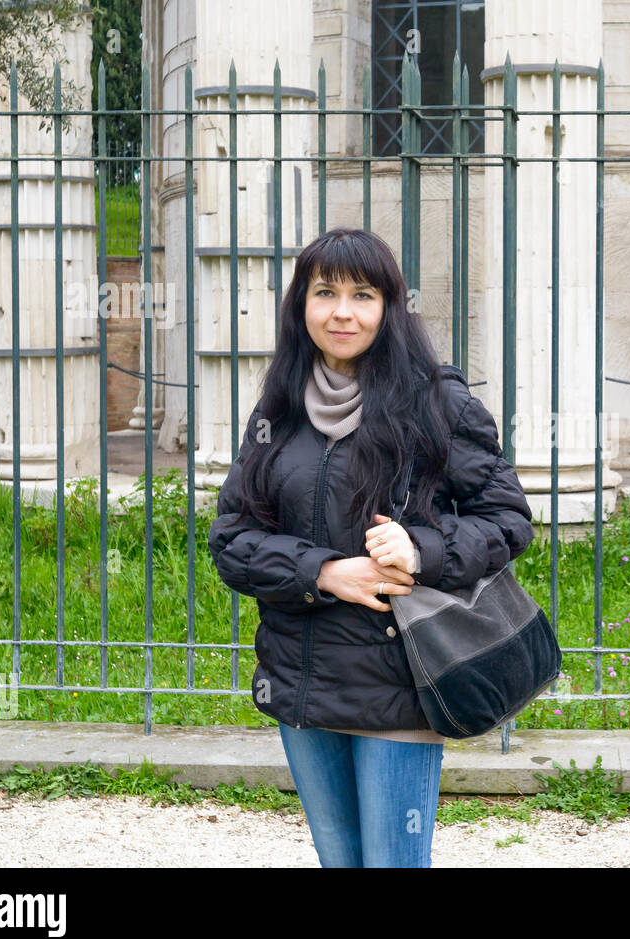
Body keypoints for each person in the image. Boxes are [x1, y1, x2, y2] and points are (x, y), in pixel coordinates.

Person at [207, 227, 534, 867]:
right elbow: (232, 538)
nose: (342, 312)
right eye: (325, 292)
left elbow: (508, 517)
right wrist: (324, 572)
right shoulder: (278, 410)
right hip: (302, 680)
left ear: (390, 308)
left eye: (363, 294)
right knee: (340, 861)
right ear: (301, 304)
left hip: (400, 682)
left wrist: (421, 549)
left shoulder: (437, 402)